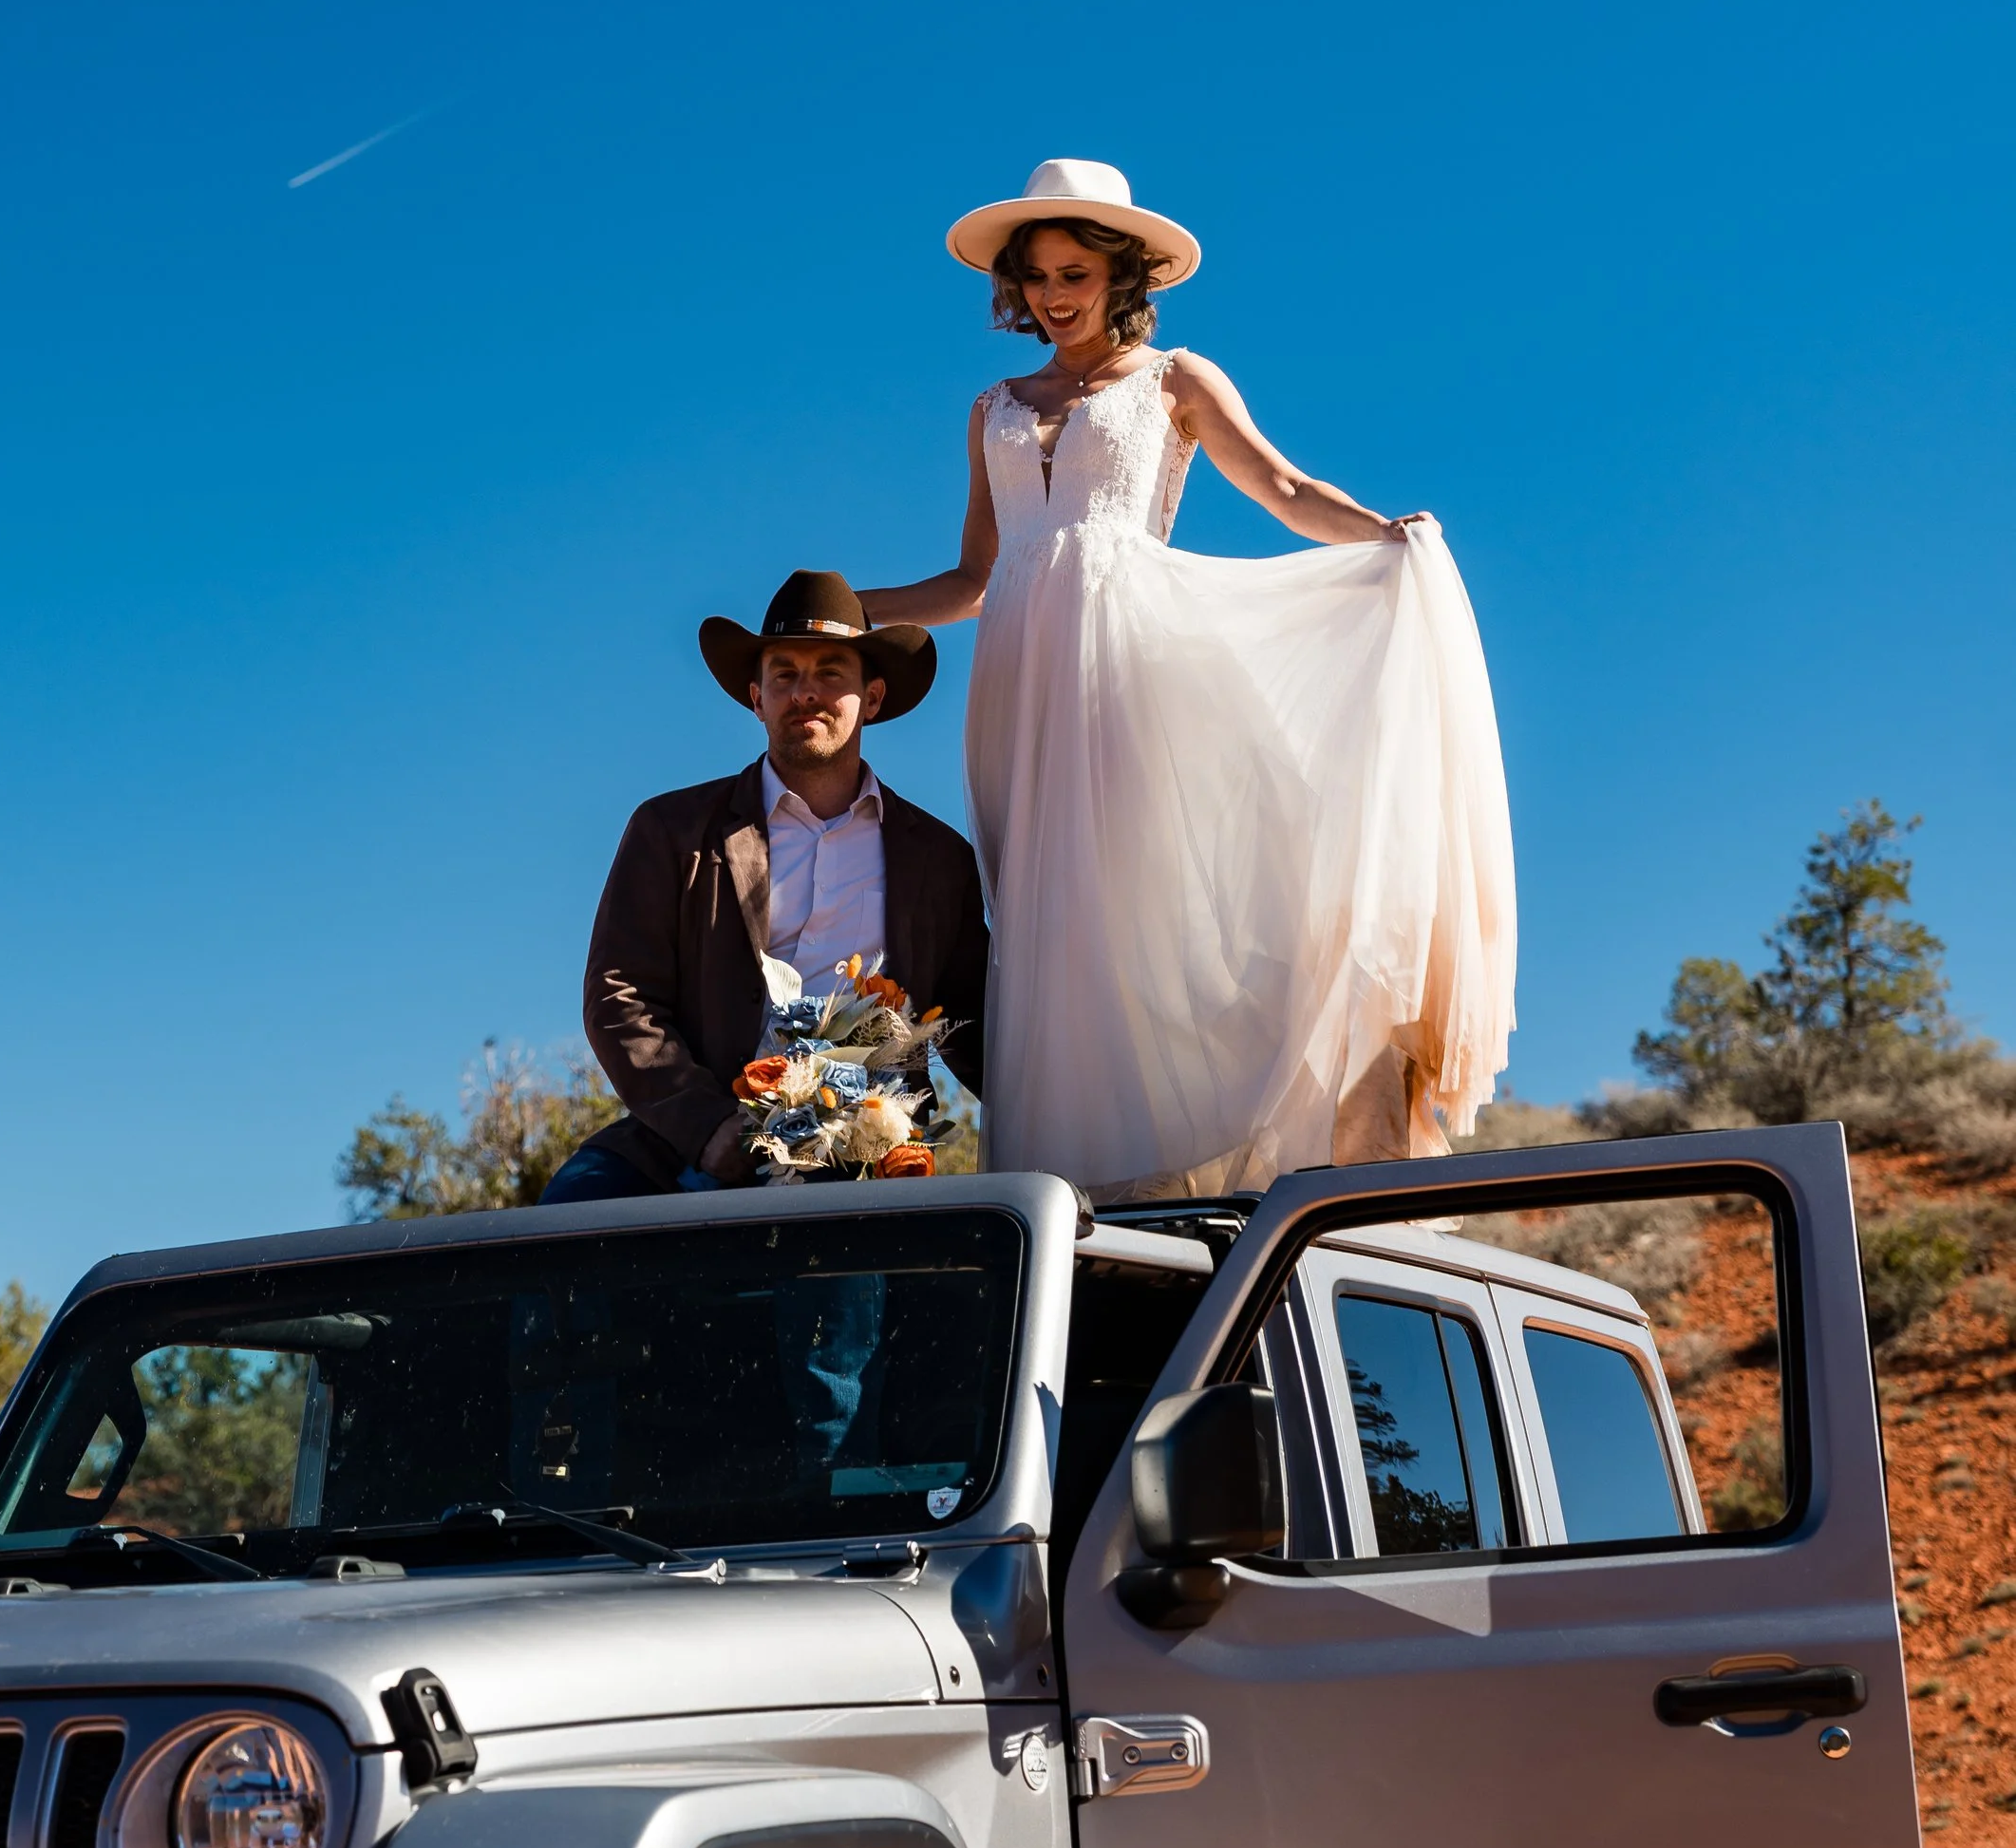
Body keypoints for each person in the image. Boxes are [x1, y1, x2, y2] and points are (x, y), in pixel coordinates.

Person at [859, 160, 1515, 1200]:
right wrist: (855, 609)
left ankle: (1215, 1154)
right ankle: (1079, 1188)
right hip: (1020, 690)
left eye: (1073, 270)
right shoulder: (992, 405)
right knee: (1046, 929)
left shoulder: (1175, 380)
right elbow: (976, 578)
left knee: (1147, 900)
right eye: (1034, 276)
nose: (1052, 293)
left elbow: (1284, 485)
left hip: (1133, 662)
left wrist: (1386, 535)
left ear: (1123, 273)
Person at [545, 572, 989, 1203]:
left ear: (875, 696)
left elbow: (975, 1023)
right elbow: (621, 997)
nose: (804, 692)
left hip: (858, 1144)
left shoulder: (939, 860)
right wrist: (706, 1128)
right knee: (574, 1211)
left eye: (831, 672)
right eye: (784, 674)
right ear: (756, 698)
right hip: (687, 1133)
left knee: (838, 1293)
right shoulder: (673, 831)